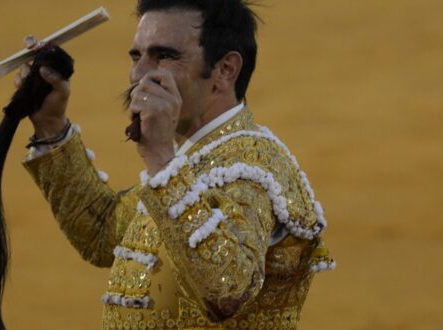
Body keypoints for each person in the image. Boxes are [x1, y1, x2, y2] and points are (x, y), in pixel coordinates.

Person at [18, 1, 335, 329]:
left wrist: (160, 160)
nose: (139, 75)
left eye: (164, 56)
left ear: (225, 70)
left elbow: (227, 289)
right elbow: (102, 232)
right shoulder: (197, 160)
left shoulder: (252, 168)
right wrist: (52, 126)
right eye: (136, 56)